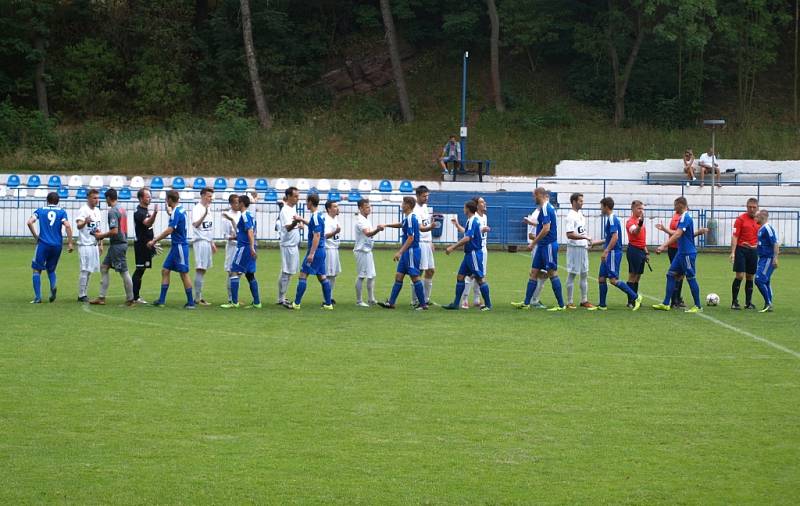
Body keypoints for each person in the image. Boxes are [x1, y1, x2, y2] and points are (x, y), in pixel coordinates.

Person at [511, 187, 566, 311]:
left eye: (533, 196)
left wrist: (533, 243)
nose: (533, 198)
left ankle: (561, 305)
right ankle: (526, 303)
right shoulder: (544, 208)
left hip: (548, 245)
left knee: (552, 273)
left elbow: (546, 228)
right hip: (542, 246)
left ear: (539, 195)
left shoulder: (546, 208)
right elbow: (542, 225)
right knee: (534, 273)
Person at [653, 197, 707, 313]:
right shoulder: (682, 217)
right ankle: (666, 303)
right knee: (670, 274)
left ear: (681, 205)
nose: (674, 208)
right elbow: (680, 234)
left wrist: (663, 246)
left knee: (690, 277)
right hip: (681, 253)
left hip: (687, 253)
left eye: (675, 205)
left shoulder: (685, 217)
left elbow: (677, 235)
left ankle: (698, 306)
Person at [586, 197, 642, 311]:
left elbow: (615, 237)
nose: (600, 208)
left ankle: (636, 297)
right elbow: (610, 237)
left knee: (613, 280)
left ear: (606, 206)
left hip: (612, 253)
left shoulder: (612, 219)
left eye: (601, 206)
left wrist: (606, 251)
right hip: (610, 252)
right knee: (601, 278)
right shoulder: (611, 219)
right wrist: (596, 243)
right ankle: (602, 305)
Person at [378, 196, 428, 310]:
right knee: (399, 276)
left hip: (411, 251)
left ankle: (423, 304)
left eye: (403, 203)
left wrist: (399, 252)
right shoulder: (408, 218)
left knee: (415, 277)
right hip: (407, 252)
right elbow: (401, 224)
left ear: (408, 205)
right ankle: (391, 303)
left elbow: (411, 238)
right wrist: (386, 225)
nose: (402, 205)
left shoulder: (411, 218)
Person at [147, 190, 195, 309]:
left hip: (179, 246)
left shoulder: (176, 212)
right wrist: (170, 213)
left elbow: (170, 230)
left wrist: (155, 240)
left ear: (169, 199)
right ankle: (162, 300)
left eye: (166, 199)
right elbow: (177, 221)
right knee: (165, 270)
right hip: (176, 247)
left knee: (183, 273)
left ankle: (191, 302)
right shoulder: (180, 210)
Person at [443, 199, 492, 311]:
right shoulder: (471, 220)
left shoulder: (473, 220)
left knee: (479, 278)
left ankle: (488, 305)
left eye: (464, 207)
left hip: (474, 253)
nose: (463, 209)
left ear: (468, 209)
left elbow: (467, 238)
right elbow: (467, 233)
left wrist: (452, 247)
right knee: (460, 277)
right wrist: (457, 225)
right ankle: (456, 304)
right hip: (469, 254)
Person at [286, 193, 333, 310]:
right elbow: (313, 226)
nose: (306, 203)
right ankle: (328, 304)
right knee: (322, 276)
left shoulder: (316, 217)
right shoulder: (318, 215)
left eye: (307, 202)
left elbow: (317, 235)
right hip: (321, 251)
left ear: (311, 202)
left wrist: (311, 254)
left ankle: (296, 304)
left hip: (316, 251)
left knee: (303, 275)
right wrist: (301, 219)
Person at [27, 191, 74, 303]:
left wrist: (35, 236)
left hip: (43, 244)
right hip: (57, 245)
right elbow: (67, 225)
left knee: (36, 270)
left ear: (47, 200)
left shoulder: (40, 210)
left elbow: (29, 222)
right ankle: (53, 286)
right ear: (58, 201)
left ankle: (38, 298)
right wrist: (70, 243)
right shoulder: (62, 212)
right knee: (51, 269)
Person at [90, 189, 133, 306]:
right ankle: (101, 297)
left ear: (109, 198)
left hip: (118, 245)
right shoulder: (122, 209)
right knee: (104, 267)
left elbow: (114, 231)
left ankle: (130, 299)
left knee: (124, 271)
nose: (105, 201)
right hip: (118, 244)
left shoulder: (113, 211)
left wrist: (101, 236)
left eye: (105, 199)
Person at [221, 195, 261, 309]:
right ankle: (257, 302)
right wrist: (232, 220)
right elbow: (242, 233)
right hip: (248, 247)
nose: (237, 205)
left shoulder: (244, 216)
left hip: (244, 248)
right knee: (249, 274)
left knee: (234, 271)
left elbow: (250, 231)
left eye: (238, 202)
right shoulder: (249, 215)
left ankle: (234, 302)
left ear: (242, 203)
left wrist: (252, 247)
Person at [564, 192, 593, 309]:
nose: (582, 203)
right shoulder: (570, 216)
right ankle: (569, 302)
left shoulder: (580, 214)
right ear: (574, 202)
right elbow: (569, 234)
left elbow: (581, 231)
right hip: (574, 248)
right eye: (580, 201)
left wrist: (586, 241)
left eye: (582, 200)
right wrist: (585, 237)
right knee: (572, 274)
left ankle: (584, 300)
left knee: (584, 274)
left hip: (582, 247)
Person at [729, 197, 759, 310]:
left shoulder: (759, 220)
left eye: (754, 207)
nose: (752, 209)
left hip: (753, 251)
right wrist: (733, 252)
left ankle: (748, 302)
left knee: (750, 276)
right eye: (750, 207)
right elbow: (735, 236)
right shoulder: (740, 219)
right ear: (747, 207)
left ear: (757, 208)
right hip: (741, 250)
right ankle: (734, 302)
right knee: (740, 275)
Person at [353, 199, 384, 307]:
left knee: (372, 276)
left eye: (369, 207)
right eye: (366, 207)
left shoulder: (366, 219)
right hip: (361, 251)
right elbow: (367, 233)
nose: (369, 209)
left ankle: (371, 299)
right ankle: (359, 301)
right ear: (360, 208)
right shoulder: (360, 220)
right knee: (362, 275)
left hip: (368, 251)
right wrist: (378, 229)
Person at [75, 188, 103, 302]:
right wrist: (85, 221)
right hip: (85, 244)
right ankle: (81, 294)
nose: (96, 200)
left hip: (94, 244)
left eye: (97, 198)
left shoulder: (97, 211)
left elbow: (99, 229)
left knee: (90, 270)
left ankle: (84, 292)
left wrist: (101, 244)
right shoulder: (83, 210)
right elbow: (78, 225)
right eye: (94, 198)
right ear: (88, 198)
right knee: (84, 269)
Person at [276, 187, 302, 305]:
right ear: (289, 196)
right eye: (296, 196)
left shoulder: (292, 209)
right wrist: (296, 223)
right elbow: (288, 227)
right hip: (287, 245)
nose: (298, 198)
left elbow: (293, 224)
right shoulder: (285, 210)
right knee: (286, 271)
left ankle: (282, 296)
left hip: (293, 245)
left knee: (288, 271)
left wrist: (298, 224)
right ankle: (281, 298)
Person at [655, 209, 685, 308]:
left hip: (676, 248)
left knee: (679, 275)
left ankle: (676, 299)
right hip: (676, 249)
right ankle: (674, 300)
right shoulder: (677, 218)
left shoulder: (677, 217)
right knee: (677, 275)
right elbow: (677, 233)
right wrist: (664, 230)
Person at [412, 185, 436, 306]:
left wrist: (431, 241)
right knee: (419, 272)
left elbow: (427, 224)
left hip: (427, 243)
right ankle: (415, 300)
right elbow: (420, 227)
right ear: (417, 196)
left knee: (431, 270)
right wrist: (430, 227)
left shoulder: (425, 207)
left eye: (427, 196)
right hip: (420, 243)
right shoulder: (415, 210)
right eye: (424, 196)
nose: (426, 198)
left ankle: (426, 298)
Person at [132, 188, 157, 304]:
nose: (149, 198)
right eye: (147, 196)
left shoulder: (145, 211)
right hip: (141, 246)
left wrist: (153, 243)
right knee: (139, 269)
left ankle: (135, 296)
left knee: (141, 270)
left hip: (147, 246)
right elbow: (147, 223)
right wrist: (155, 214)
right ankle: (135, 297)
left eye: (150, 196)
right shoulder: (139, 212)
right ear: (141, 198)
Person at [191, 187, 216, 305]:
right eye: (209, 196)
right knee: (200, 268)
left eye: (211, 196)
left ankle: (198, 296)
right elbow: (195, 224)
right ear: (202, 196)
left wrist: (212, 242)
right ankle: (197, 298)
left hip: (207, 242)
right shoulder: (197, 209)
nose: (210, 198)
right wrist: (204, 214)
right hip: (200, 241)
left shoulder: (208, 209)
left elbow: (208, 228)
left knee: (203, 269)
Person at [522, 207, 548, 308]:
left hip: (542, 247)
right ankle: (533, 299)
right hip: (538, 248)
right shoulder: (536, 215)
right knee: (540, 274)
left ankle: (533, 298)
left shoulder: (542, 213)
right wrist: (545, 235)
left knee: (542, 274)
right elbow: (531, 235)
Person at [754, 209, 778, 312]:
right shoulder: (761, 229)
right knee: (766, 281)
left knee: (759, 280)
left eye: (757, 217)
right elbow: (762, 245)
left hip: (768, 259)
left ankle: (768, 303)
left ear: (762, 217)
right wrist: (751, 246)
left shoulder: (767, 228)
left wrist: (775, 258)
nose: (755, 218)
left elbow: (775, 243)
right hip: (762, 258)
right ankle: (769, 304)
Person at [625, 200, 648, 307]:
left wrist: (646, 252)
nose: (641, 210)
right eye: (639, 208)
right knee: (632, 275)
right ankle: (630, 301)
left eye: (642, 208)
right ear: (633, 209)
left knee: (638, 276)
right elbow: (635, 232)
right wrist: (640, 224)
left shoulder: (639, 221)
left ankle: (635, 298)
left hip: (641, 250)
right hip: (634, 250)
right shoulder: (630, 221)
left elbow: (642, 238)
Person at [222, 194, 240, 303]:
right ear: (231, 203)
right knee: (230, 272)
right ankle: (230, 298)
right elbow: (225, 235)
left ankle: (235, 297)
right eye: (237, 202)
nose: (238, 204)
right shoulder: (227, 217)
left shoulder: (241, 214)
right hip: (232, 247)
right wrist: (233, 237)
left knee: (238, 273)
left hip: (240, 247)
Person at [324, 200, 342, 304]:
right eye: (334, 206)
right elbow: (325, 235)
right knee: (328, 275)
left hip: (335, 249)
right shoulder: (327, 220)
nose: (337, 208)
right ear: (329, 209)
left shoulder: (335, 219)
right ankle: (325, 298)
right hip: (329, 249)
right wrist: (335, 232)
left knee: (333, 275)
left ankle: (330, 296)